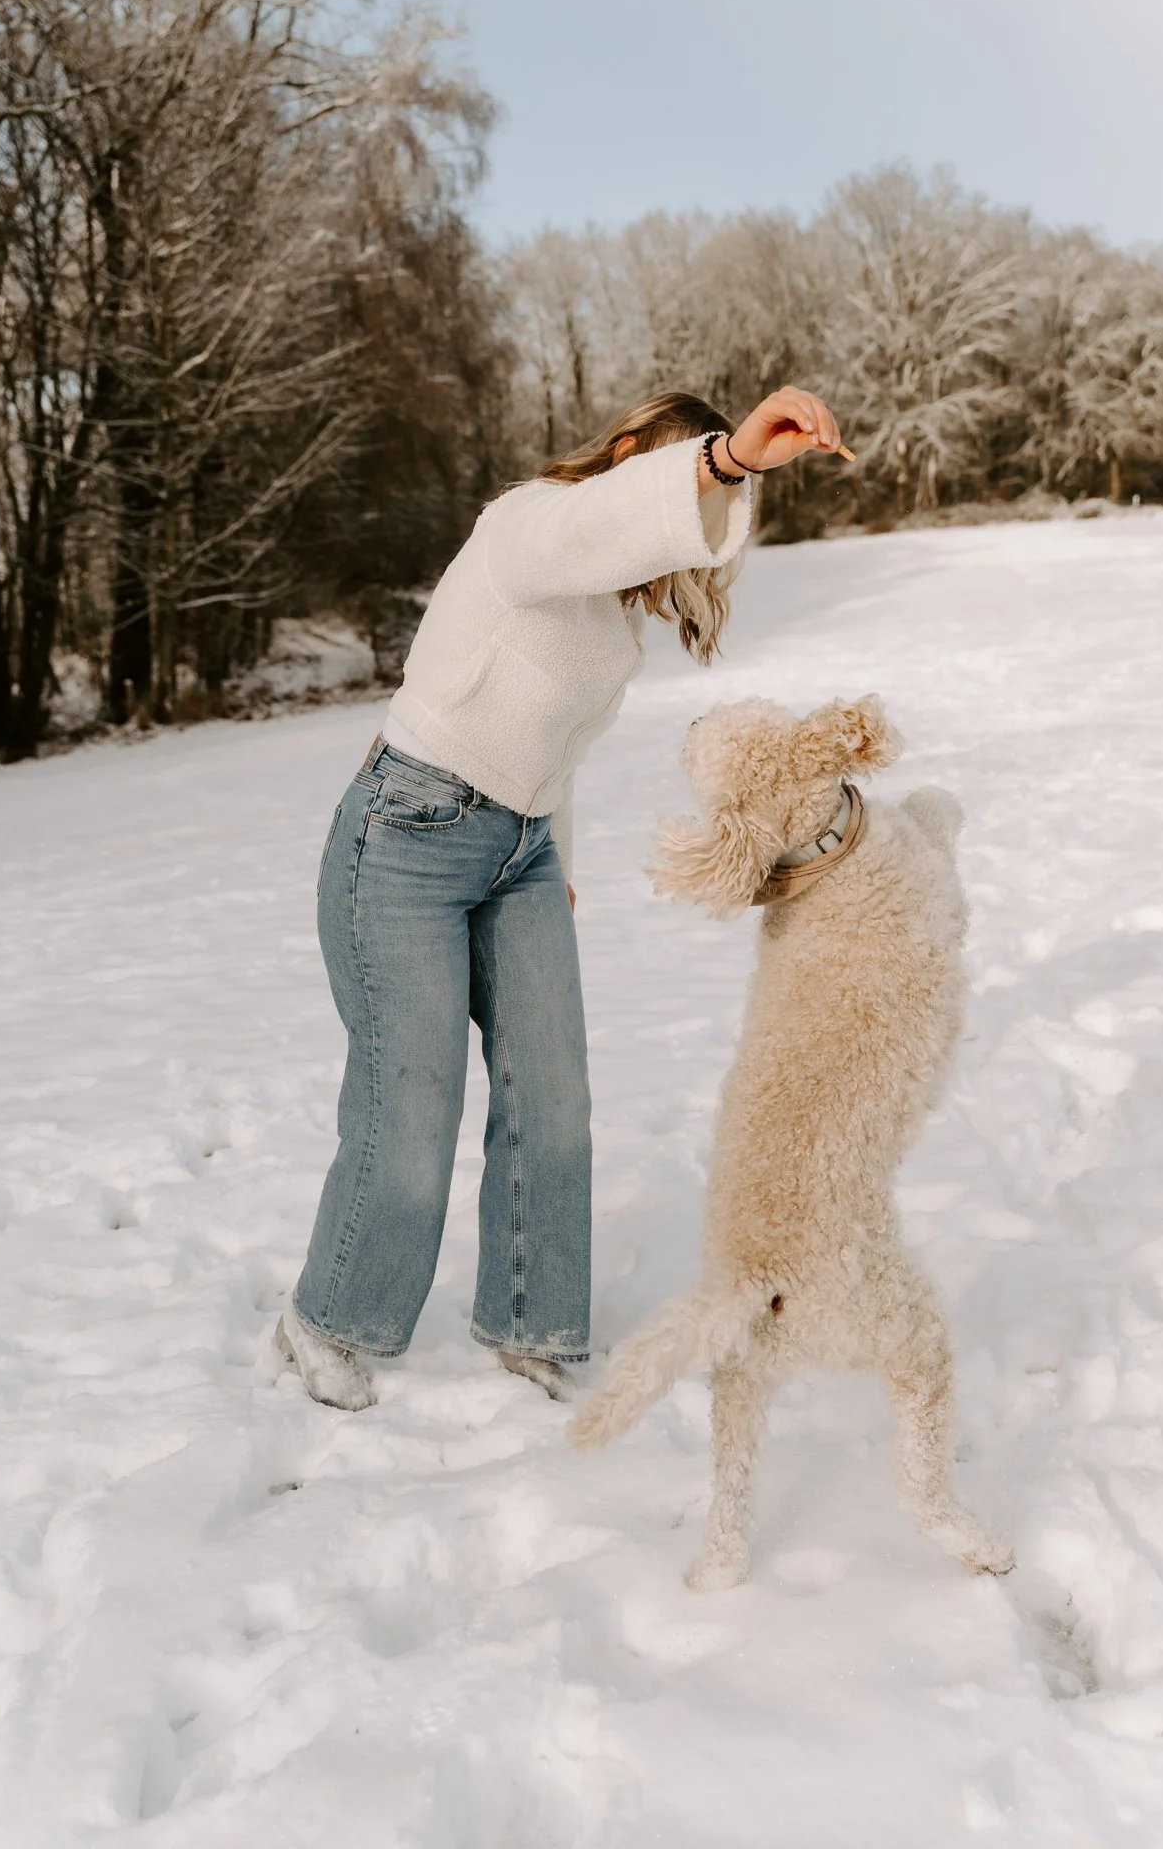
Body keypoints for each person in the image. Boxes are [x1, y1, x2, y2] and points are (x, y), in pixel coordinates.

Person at [277, 385, 843, 1409]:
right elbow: (594, 523)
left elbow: (554, 748)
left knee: (553, 1096)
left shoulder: (614, 620)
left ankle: (531, 1321)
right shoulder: (527, 526)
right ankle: (329, 1319)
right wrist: (729, 459)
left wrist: (556, 862)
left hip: (521, 852)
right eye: (683, 482)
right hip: (403, 839)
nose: (691, 520)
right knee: (412, 1099)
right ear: (630, 460)